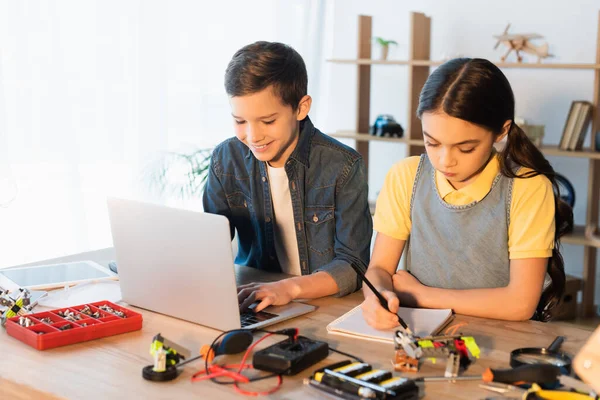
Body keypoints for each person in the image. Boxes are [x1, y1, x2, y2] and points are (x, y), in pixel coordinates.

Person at [361, 58, 573, 328]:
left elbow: (520, 303)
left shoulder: (527, 188)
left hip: (501, 340)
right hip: (420, 331)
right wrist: (378, 295)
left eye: (466, 148)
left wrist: (421, 295)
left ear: (501, 131)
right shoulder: (406, 176)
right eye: (432, 143)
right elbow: (379, 270)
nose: (445, 160)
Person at [203, 41, 372, 313]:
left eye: (268, 121)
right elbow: (210, 242)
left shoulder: (343, 165)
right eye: (240, 121)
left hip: (322, 304)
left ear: (301, 108)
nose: (253, 136)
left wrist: (289, 288)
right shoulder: (226, 159)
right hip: (254, 299)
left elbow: (352, 265)